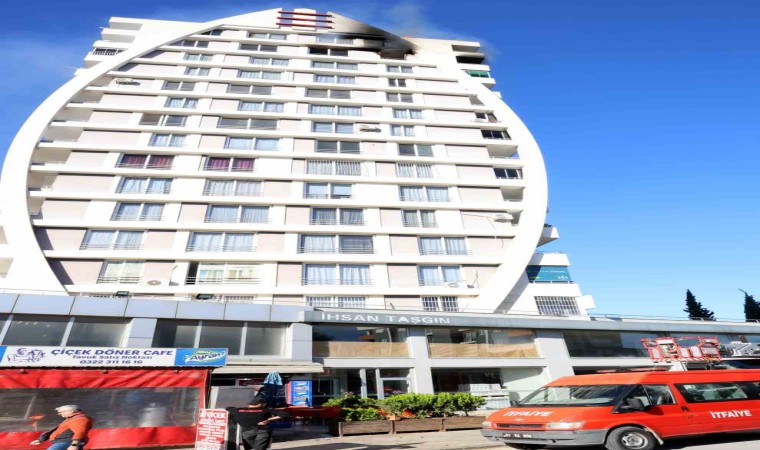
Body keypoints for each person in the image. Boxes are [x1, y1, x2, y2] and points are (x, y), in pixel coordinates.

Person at [29, 405, 94, 450]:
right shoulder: (71, 419)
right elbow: (58, 430)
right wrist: (40, 439)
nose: (59, 414)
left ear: (72, 411)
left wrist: (74, 445)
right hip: (64, 442)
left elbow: (80, 432)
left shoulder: (79, 419)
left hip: (66, 442)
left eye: (61, 412)